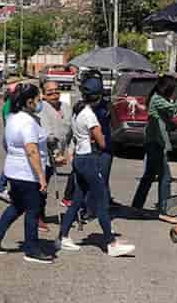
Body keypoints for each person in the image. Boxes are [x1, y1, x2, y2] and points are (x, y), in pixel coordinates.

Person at [58, 76, 136, 257]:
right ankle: (110, 242)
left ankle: (63, 236)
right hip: (89, 160)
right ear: (99, 95)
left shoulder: (78, 110)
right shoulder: (90, 115)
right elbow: (102, 142)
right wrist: (97, 136)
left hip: (79, 157)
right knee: (101, 200)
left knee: (78, 199)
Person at [0, 83, 54, 264]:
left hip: (14, 170)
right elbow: (32, 151)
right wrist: (41, 176)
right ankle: (31, 248)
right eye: (38, 99)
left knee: (17, 206)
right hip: (27, 173)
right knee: (33, 210)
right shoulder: (28, 123)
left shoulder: (13, 117)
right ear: (29, 101)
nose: (41, 102)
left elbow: (7, 144)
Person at [132, 74, 177, 215]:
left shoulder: (159, 99)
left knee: (150, 176)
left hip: (156, 141)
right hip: (155, 142)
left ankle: (137, 206)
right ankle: (164, 209)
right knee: (164, 177)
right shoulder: (157, 99)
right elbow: (173, 109)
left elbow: (169, 115)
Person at [37, 80, 72, 232]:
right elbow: (48, 135)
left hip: (61, 152)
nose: (54, 95)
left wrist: (71, 151)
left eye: (57, 91)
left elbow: (71, 130)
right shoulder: (42, 109)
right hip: (45, 154)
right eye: (50, 92)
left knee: (46, 182)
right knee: (42, 185)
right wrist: (56, 154)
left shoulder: (66, 107)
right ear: (44, 95)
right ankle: (38, 216)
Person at [0, 82, 19, 203]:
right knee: (12, 163)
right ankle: (1, 187)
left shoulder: (11, 104)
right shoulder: (10, 105)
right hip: (10, 137)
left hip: (10, 136)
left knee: (13, 162)